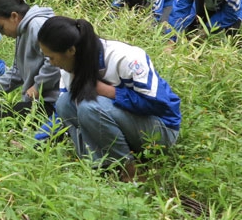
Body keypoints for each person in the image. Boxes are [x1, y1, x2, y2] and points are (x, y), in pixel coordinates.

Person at [38, 16, 181, 180]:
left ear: (71, 51)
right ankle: (99, 167)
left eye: (52, 57)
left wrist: (111, 92)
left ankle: (129, 170)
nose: (51, 62)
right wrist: (36, 141)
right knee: (64, 103)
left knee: (88, 107)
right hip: (125, 128)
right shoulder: (68, 67)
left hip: (160, 131)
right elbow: (61, 115)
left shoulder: (125, 58)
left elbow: (160, 105)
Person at [0, 0, 61, 122]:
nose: (3, 33)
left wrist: (38, 86)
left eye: (2, 27)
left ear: (14, 16)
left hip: (54, 103)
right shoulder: (22, 31)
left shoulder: (37, 25)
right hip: (37, 101)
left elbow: (56, 61)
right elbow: (17, 71)